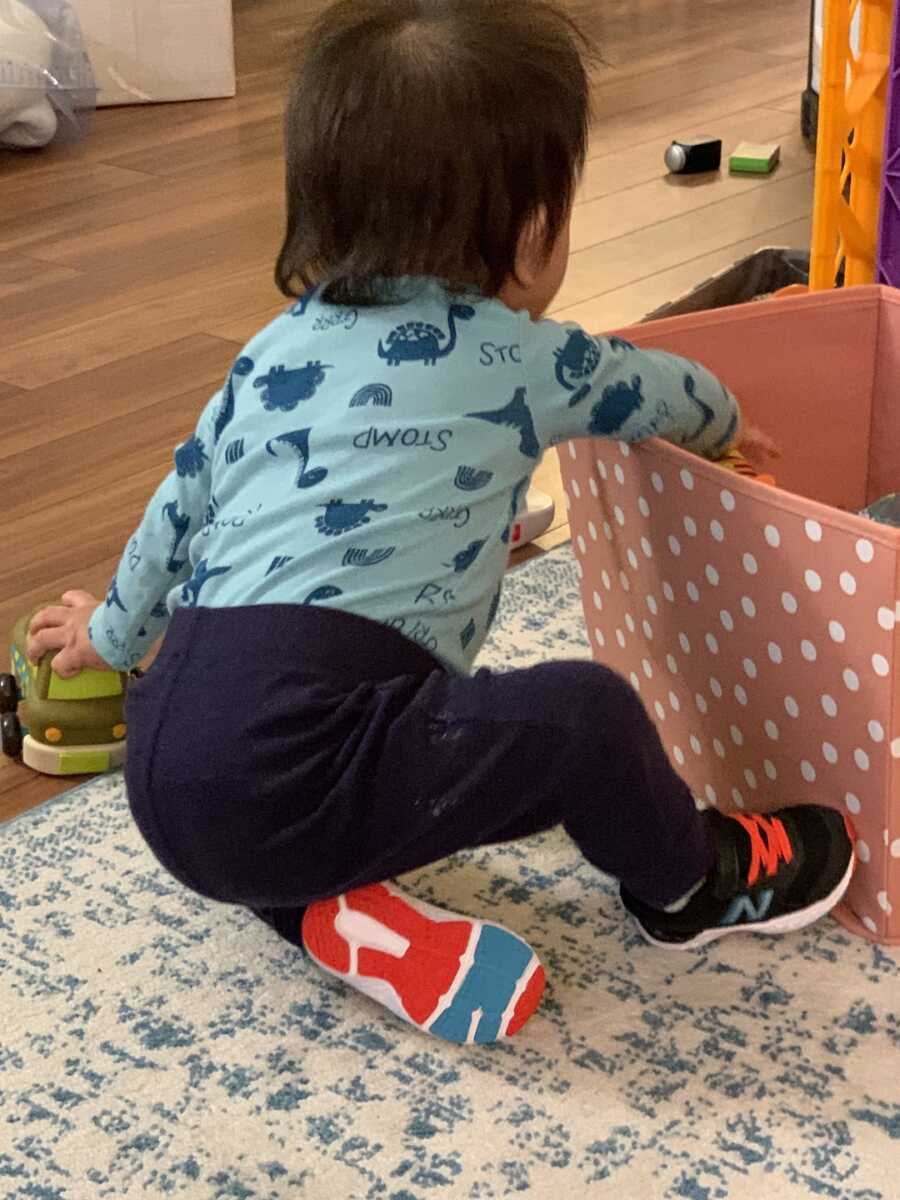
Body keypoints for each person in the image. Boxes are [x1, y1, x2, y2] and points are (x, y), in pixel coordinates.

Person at [27, 0, 855, 1047]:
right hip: (294, 771)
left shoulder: (272, 352)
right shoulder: (524, 353)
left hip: (167, 764)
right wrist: (731, 417)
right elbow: (649, 384)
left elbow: (178, 502)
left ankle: (328, 914)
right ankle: (693, 884)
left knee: (278, 810)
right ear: (533, 233)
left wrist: (105, 635)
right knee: (587, 718)